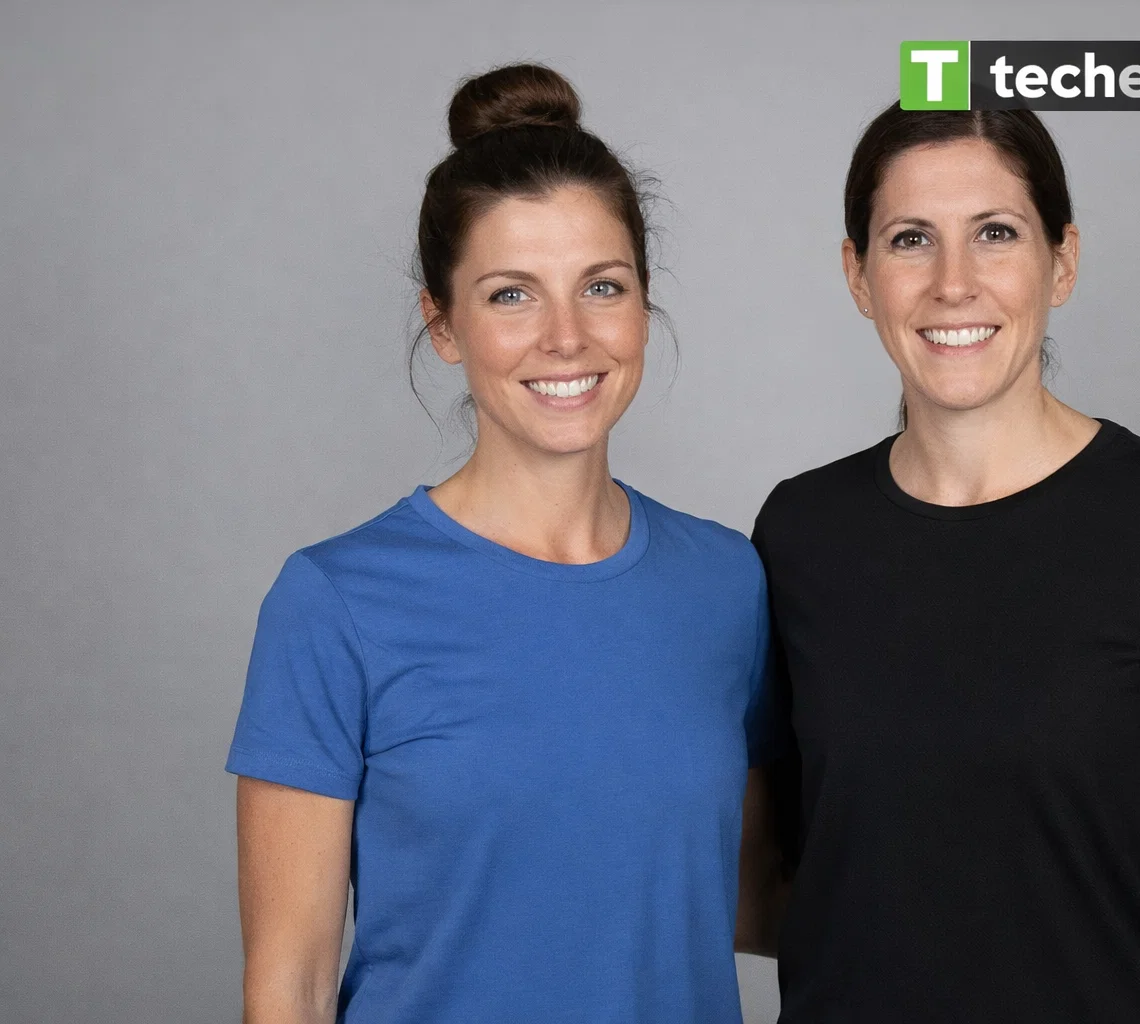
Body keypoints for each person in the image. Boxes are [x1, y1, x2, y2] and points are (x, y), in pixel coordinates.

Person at [227, 63, 775, 1023]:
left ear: (644, 305)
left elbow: (753, 902)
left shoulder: (729, 583)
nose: (566, 337)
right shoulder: (335, 602)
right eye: (512, 295)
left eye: (601, 286)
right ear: (443, 324)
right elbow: (290, 988)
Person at [739, 102, 1140, 1023]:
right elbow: (779, 874)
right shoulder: (799, 530)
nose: (952, 284)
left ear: (1062, 261)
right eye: (911, 239)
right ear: (858, 274)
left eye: (995, 233)